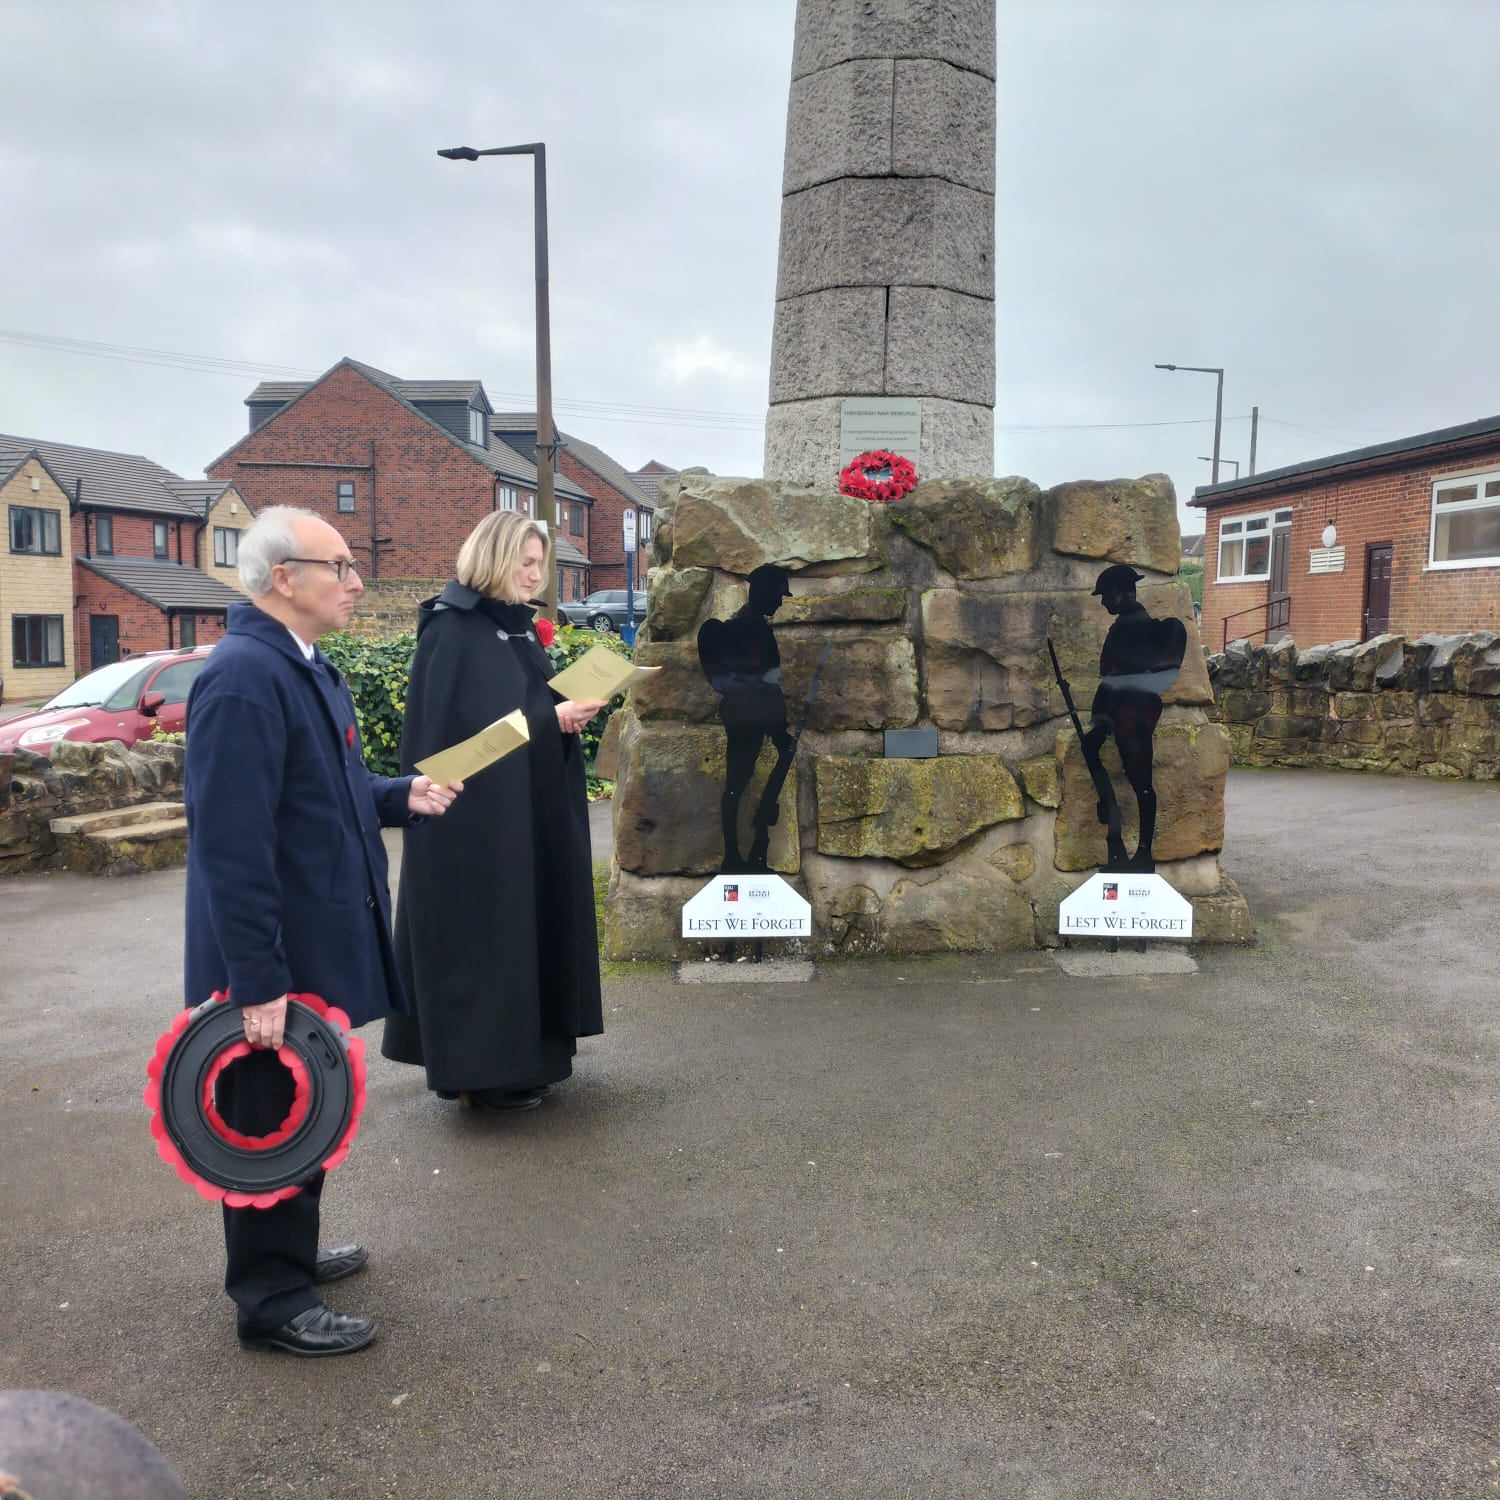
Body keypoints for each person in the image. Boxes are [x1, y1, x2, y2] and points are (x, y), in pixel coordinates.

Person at [183, 506, 460, 1358]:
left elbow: (322, 789)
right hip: (273, 960)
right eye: (338, 565)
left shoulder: (305, 667)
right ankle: (270, 1300)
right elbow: (233, 847)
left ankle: (289, 1257)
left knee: (308, 1108)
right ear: (282, 580)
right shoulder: (240, 679)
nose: (356, 580)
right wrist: (257, 981)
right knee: (267, 1114)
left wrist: (394, 794)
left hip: (309, 944)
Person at [383, 511, 605, 1112]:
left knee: (526, 929)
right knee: (485, 937)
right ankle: (481, 1074)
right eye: (525, 563)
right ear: (492, 559)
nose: (536, 576)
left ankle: (527, 1062)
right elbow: (451, 739)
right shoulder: (452, 631)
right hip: (474, 827)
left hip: (527, 813)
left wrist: (563, 709)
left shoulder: (517, 627)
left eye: (541, 565)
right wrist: (547, 718)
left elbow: (523, 707)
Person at [1077, 563, 1186, 872]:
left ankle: (1142, 854)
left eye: (1106, 596)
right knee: (1139, 782)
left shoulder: (1134, 627)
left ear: (1120, 593)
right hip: (1117, 713)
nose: (1103, 603)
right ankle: (1125, 841)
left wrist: (1101, 722)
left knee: (1142, 783)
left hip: (1130, 715)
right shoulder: (1126, 625)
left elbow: (1118, 679)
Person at [696, 564, 795, 872]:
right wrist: (777, 727)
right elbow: (761, 680)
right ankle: (733, 856)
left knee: (739, 783)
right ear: (763, 592)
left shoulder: (756, 626)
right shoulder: (742, 629)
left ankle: (756, 843)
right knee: (736, 784)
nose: (780, 602)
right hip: (749, 715)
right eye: (778, 595)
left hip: (760, 713)